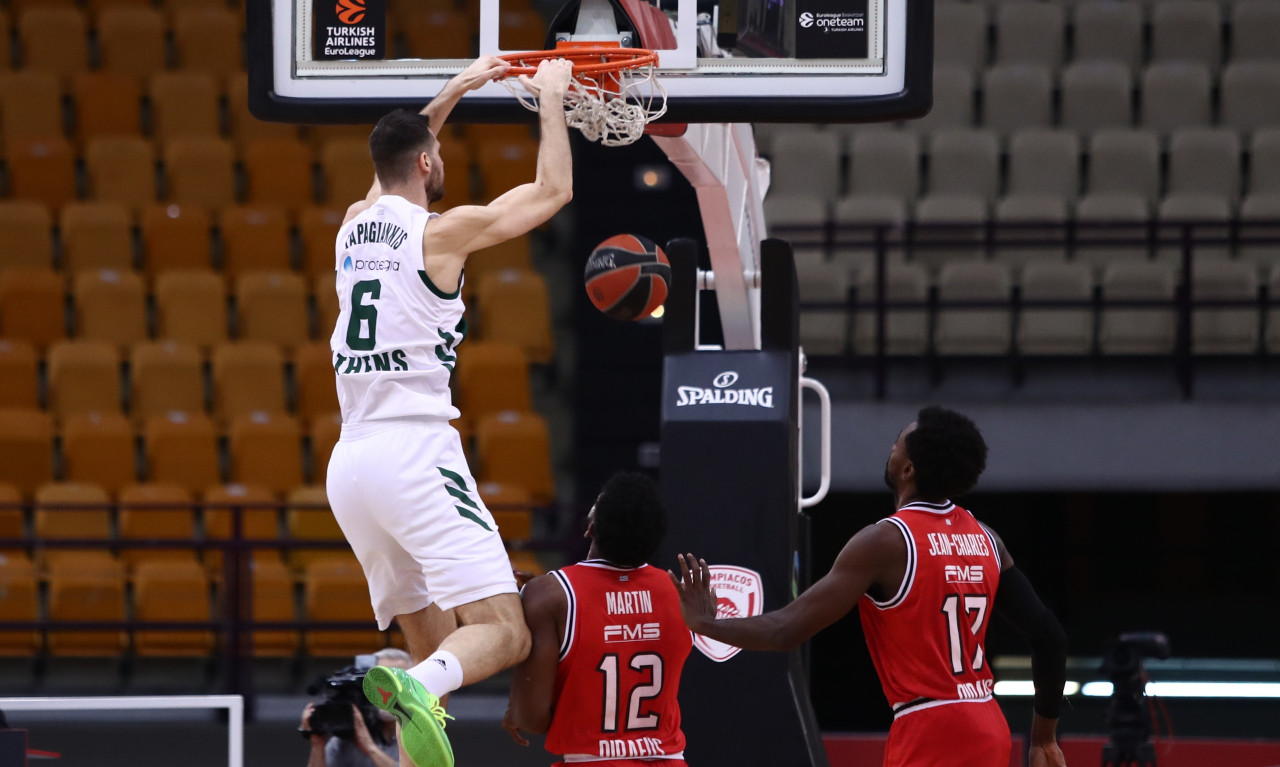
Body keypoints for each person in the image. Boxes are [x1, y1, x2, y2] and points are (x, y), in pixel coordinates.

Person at [324, 54, 576, 767]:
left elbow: (400, 156)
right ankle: (406, 687)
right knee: (505, 632)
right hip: (414, 453)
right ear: (430, 166)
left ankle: (404, 723)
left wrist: (454, 90)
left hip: (351, 468)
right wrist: (551, 99)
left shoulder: (351, 226)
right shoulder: (440, 233)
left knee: (438, 652)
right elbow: (552, 190)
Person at [671, 406, 1070, 767]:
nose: (890, 449)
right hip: (988, 722)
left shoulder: (886, 541)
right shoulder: (987, 539)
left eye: (896, 444)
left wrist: (705, 622)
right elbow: (1050, 635)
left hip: (931, 727)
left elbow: (784, 630)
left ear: (908, 469)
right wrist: (1043, 738)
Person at [504, 473, 692, 766]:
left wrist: (518, 707)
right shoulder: (682, 594)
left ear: (591, 526)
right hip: (668, 758)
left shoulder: (550, 596)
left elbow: (531, 718)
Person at [300, 648, 412, 767]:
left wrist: (371, 749)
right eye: (380, 680)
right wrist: (318, 745)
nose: (387, 690)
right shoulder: (349, 736)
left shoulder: (422, 732)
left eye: (397, 681)